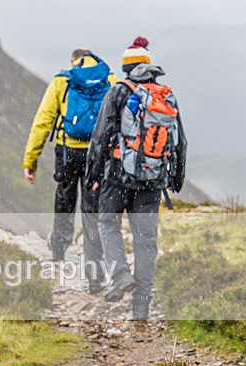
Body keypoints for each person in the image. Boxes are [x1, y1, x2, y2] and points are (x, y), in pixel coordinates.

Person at [85, 37, 187, 320]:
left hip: (117, 177)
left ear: (126, 67)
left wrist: (93, 176)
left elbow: (100, 137)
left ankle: (120, 276)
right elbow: (180, 142)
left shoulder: (118, 91)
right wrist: (174, 179)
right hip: (152, 181)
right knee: (145, 241)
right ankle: (141, 305)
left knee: (108, 224)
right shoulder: (165, 95)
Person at [22, 49, 118, 294]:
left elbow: (43, 121)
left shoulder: (62, 82)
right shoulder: (110, 80)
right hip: (98, 154)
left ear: (72, 61)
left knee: (65, 198)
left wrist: (30, 160)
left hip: (68, 152)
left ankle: (58, 250)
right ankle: (95, 277)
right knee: (92, 209)